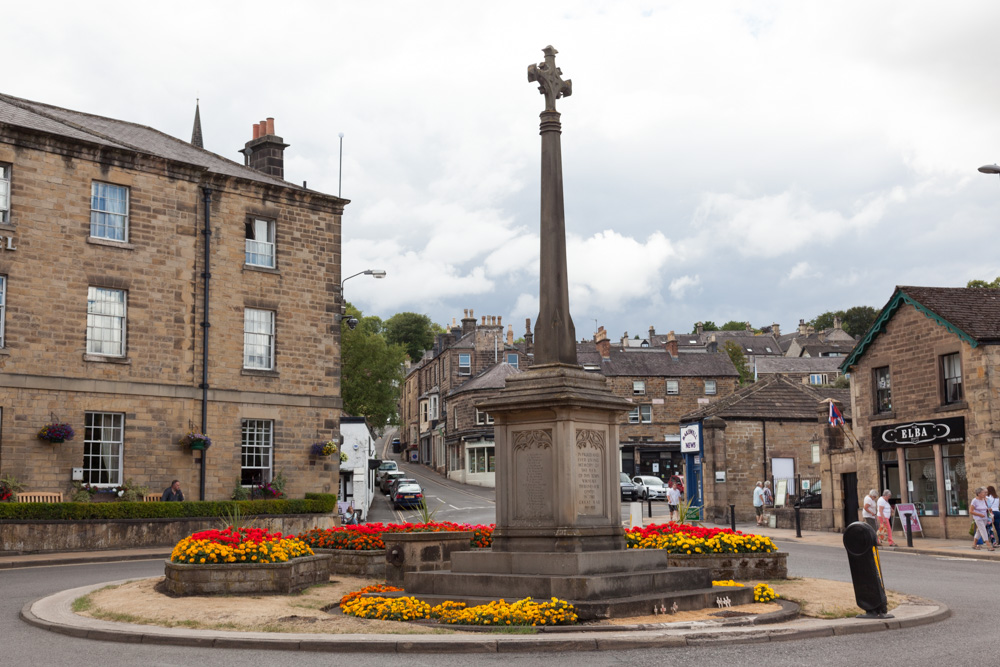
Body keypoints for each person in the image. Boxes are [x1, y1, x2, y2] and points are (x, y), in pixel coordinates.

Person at [971, 487, 995, 551]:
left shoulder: (985, 499)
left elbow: (986, 508)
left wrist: (989, 510)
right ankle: (988, 545)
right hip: (978, 518)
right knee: (983, 530)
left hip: (985, 517)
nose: (986, 494)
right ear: (979, 493)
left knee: (979, 531)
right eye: (984, 492)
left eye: (986, 492)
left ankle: (974, 544)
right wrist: (979, 514)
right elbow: (971, 511)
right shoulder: (974, 500)